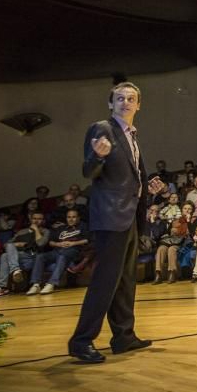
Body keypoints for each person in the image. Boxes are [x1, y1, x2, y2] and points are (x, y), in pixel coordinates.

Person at [68, 82, 166, 364]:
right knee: (105, 281)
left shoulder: (131, 136)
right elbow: (89, 171)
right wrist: (97, 155)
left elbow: (125, 180)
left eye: (131, 98)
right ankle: (81, 341)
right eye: (120, 98)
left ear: (139, 105)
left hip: (129, 216)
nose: (125, 102)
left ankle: (123, 336)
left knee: (125, 281)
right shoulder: (103, 128)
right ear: (111, 104)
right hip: (111, 218)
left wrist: (148, 188)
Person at [26, 208, 89, 295]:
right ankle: (35, 284)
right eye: (68, 217)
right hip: (57, 250)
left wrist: (73, 243)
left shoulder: (83, 226)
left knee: (62, 256)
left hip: (73, 250)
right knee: (40, 256)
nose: (71, 219)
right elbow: (51, 242)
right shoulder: (61, 228)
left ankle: (51, 283)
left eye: (73, 217)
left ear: (78, 218)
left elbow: (88, 240)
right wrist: (58, 244)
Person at [0, 211, 50, 296]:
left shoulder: (45, 231)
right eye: (34, 219)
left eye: (39, 219)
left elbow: (40, 244)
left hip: (32, 257)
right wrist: (18, 244)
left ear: (43, 221)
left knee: (5, 256)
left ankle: (3, 286)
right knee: (6, 253)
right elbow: (6, 245)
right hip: (17, 258)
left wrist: (36, 229)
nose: (36, 221)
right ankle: (14, 272)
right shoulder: (22, 232)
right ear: (31, 219)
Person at [154, 213, 190, 284]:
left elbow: (188, 234)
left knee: (172, 249)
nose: (187, 211)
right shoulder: (172, 222)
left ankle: (172, 272)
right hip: (169, 241)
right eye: (185, 209)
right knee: (161, 248)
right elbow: (166, 233)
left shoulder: (186, 222)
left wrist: (179, 231)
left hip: (180, 243)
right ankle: (158, 273)